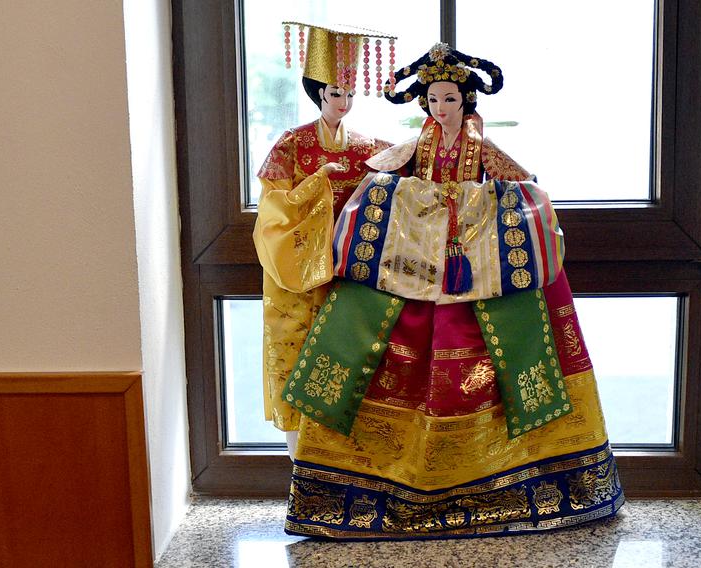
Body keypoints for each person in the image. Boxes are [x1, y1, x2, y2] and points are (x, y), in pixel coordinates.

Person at [281, 43, 624, 539]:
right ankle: (370, 483)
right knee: (380, 346)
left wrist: (483, 199)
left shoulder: (480, 147)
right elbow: (382, 169)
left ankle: (515, 480)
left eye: (450, 100)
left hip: (477, 265)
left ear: (466, 102)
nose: (442, 108)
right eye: (435, 100)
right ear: (424, 104)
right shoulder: (416, 147)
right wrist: (394, 191)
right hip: (414, 264)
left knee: (509, 350)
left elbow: (523, 178)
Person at [252, 23, 395, 457]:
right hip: (298, 270)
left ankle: (347, 460)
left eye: (350, 92)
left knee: (350, 359)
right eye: (336, 92)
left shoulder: (369, 146)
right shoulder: (291, 145)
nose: (344, 101)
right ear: (318, 92)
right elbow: (273, 211)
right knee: (294, 356)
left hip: (349, 268)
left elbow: (402, 176)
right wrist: (317, 182)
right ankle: (301, 463)